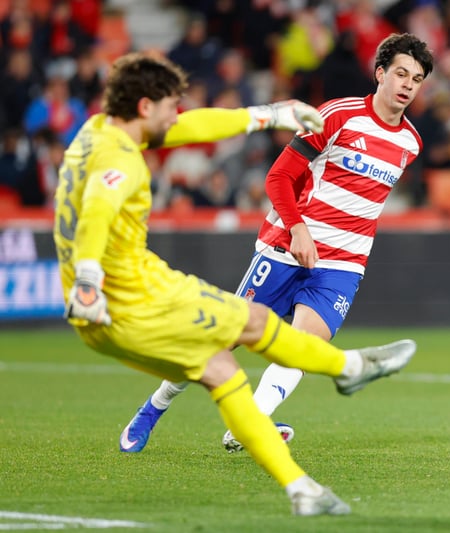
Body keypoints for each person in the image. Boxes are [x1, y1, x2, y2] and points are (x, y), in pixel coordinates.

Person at [53, 51, 417, 517]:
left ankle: (301, 488)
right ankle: (347, 369)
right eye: (171, 107)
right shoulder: (121, 160)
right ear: (145, 107)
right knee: (233, 337)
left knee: (227, 363)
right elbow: (98, 211)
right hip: (133, 295)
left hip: (144, 290)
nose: (177, 116)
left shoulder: (100, 131)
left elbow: (194, 126)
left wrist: (268, 115)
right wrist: (87, 280)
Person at [119, 33, 434, 453]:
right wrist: (299, 229)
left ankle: (249, 425)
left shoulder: (411, 143)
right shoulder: (336, 116)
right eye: (400, 73)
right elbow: (279, 177)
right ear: (380, 73)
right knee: (221, 339)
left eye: (416, 79)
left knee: (303, 347)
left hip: (344, 264)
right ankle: (153, 408)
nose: (408, 85)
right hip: (287, 247)